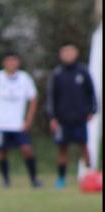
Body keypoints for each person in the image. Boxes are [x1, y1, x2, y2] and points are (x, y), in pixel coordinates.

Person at [0, 52, 42, 188]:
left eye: (14, 61)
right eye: (8, 61)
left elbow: (34, 98)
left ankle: (34, 179)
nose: (11, 64)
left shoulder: (25, 78)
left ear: (18, 63)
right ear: (4, 63)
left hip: (18, 124)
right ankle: (6, 181)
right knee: (2, 152)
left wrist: (28, 119)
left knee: (26, 149)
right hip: (1, 124)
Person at [47, 44, 98, 188]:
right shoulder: (57, 74)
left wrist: (92, 110)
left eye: (71, 52)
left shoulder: (83, 71)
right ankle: (61, 179)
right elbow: (52, 97)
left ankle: (90, 176)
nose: (68, 55)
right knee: (63, 148)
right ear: (61, 55)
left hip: (80, 117)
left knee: (83, 146)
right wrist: (52, 117)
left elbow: (91, 93)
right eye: (65, 52)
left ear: (76, 54)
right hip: (63, 118)